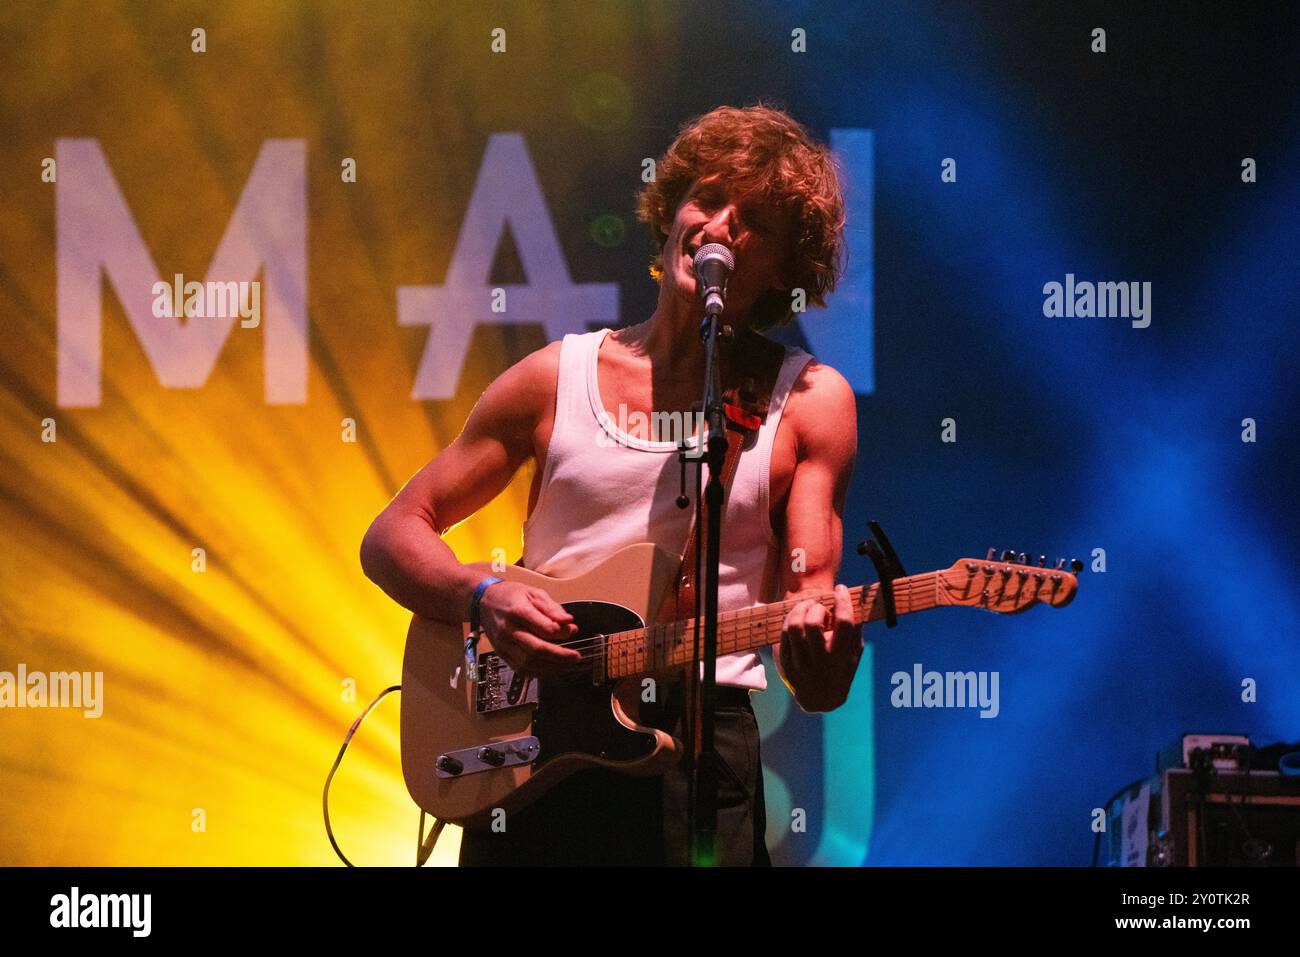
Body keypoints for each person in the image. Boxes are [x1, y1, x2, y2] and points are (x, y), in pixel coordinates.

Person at [361, 104, 863, 865]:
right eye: (708, 196)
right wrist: (481, 595)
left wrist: (827, 653)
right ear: (671, 215)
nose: (721, 224)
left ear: (783, 269)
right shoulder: (552, 378)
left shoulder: (810, 401)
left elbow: (812, 647)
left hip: (704, 746)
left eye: (754, 217)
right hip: (538, 742)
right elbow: (392, 534)